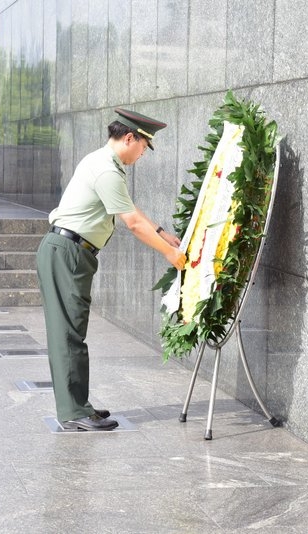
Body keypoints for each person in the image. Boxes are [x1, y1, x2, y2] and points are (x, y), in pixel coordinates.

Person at [36, 108, 186, 432]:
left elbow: (128, 209)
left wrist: (160, 232)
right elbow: (131, 223)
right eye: (143, 146)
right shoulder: (106, 170)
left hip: (70, 252)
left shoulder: (105, 164)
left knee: (71, 331)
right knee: (68, 334)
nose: (143, 153)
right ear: (129, 138)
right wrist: (171, 255)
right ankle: (74, 412)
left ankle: (79, 405)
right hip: (68, 252)